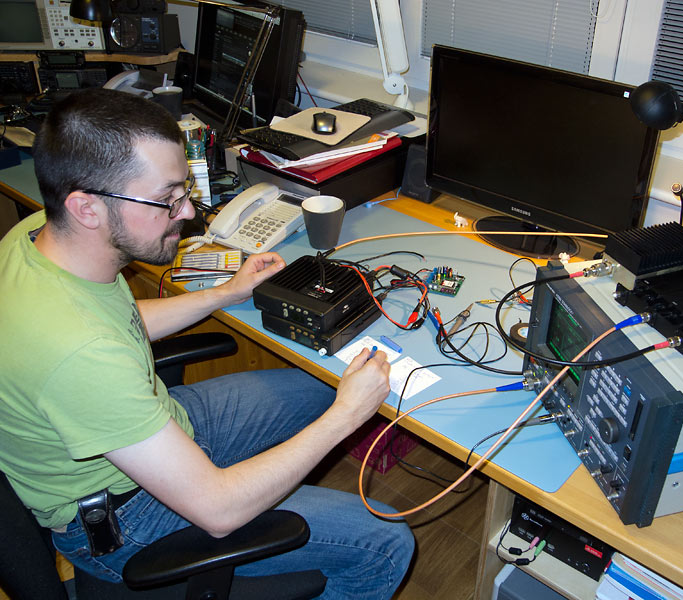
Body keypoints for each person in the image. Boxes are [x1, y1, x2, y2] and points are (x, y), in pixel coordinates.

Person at [0, 87, 414, 598]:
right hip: (124, 520)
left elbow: (119, 324)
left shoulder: (39, 237)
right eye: (167, 199)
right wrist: (347, 417)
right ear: (87, 208)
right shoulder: (78, 353)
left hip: (153, 428)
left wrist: (224, 293)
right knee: (386, 541)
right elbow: (219, 510)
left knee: (323, 386)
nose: (188, 213)